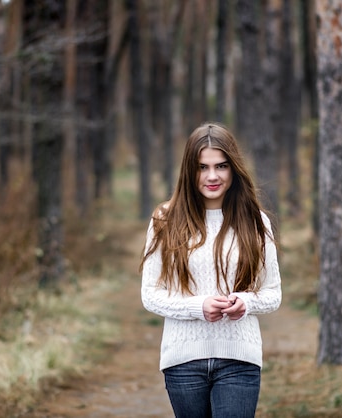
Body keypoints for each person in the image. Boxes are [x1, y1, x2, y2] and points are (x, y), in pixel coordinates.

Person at [140, 122, 282, 418]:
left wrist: (246, 302)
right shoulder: (165, 219)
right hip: (183, 361)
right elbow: (150, 295)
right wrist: (198, 306)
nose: (212, 176)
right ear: (189, 171)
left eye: (221, 166)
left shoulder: (256, 221)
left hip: (239, 358)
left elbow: (272, 293)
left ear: (234, 169)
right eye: (202, 167)